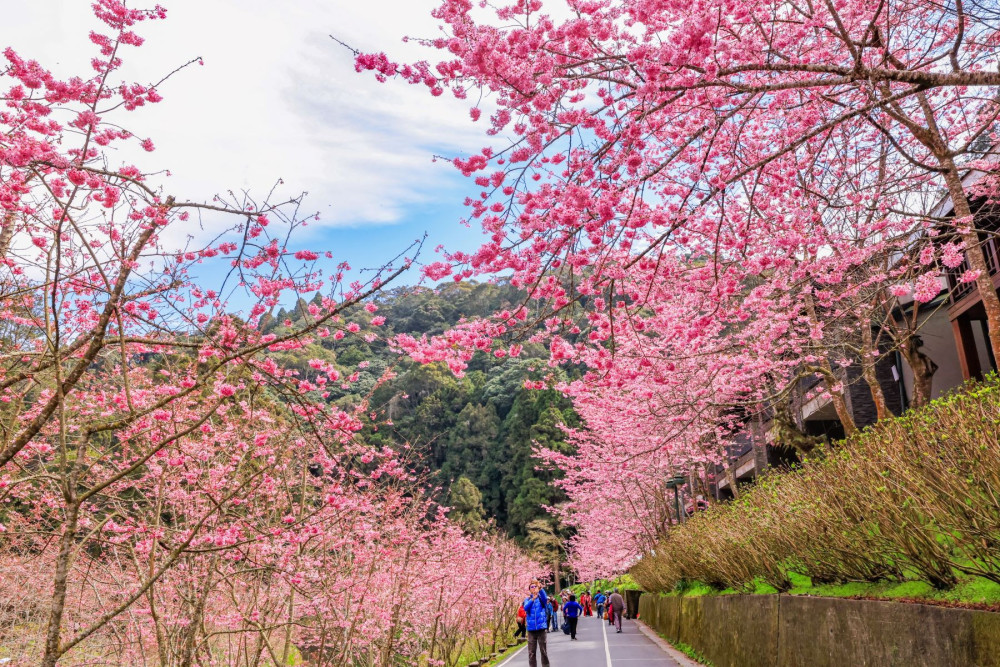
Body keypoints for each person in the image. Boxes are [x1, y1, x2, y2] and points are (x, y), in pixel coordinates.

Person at [523, 580, 550, 667]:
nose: (534, 588)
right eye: (532, 587)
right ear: (529, 590)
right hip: (531, 630)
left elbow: (545, 598)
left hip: (541, 629)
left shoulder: (542, 600)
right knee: (531, 653)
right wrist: (532, 599)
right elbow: (526, 608)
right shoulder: (527, 600)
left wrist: (540, 588)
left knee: (543, 651)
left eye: (535, 587)